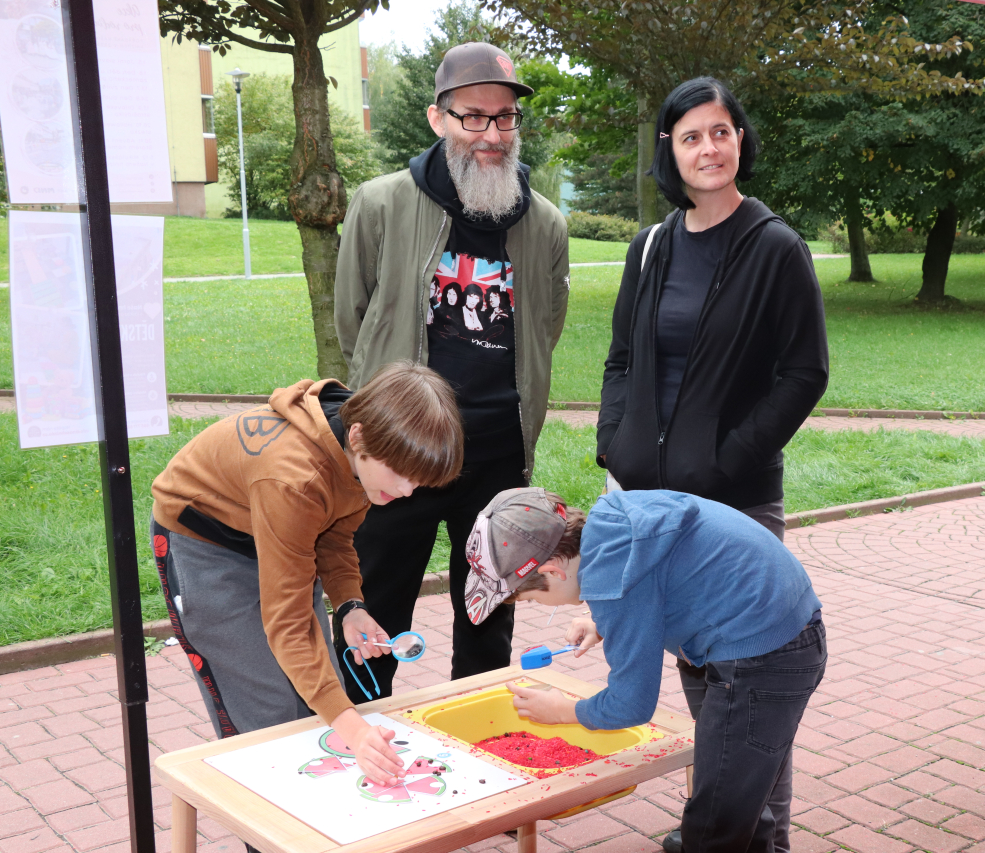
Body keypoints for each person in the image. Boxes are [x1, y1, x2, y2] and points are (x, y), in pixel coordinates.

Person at [595, 76, 828, 852]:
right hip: (656, 499)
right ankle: (734, 826)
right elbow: (622, 359)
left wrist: (729, 459)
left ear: (740, 140)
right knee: (704, 678)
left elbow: (805, 372)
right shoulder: (651, 247)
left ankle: (765, 837)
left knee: (752, 691)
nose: (708, 148)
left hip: (736, 502)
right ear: (670, 151)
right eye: (690, 136)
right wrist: (615, 442)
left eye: (720, 132)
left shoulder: (775, 247)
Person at [333, 42, 570, 689]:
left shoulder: (545, 225)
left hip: (495, 455)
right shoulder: (380, 204)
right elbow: (354, 320)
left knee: (488, 615)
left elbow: (544, 328)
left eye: (505, 117)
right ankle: (363, 731)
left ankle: (478, 726)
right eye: (473, 117)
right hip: (400, 451)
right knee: (376, 608)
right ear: (438, 118)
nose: (491, 133)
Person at [149, 362, 463, 793]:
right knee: (267, 712)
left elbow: (334, 534)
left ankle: (316, 812)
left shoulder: (363, 446)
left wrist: (350, 606)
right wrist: (353, 729)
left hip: (280, 531)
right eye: (402, 475)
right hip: (207, 544)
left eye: (419, 482)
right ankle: (268, 816)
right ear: (358, 437)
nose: (407, 491)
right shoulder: (296, 478)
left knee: (315, 699)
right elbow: (289, 623)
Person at [463, 487, 825, 853]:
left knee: (715, 821)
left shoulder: (613, 583)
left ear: (553, 571)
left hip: (765, 657)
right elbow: (659, 576)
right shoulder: (614, 523)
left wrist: (563, 711)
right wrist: (604, 622)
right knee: (738, 790)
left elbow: (631, 704)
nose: (536, 604)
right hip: (786, 626)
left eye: (530, 598)